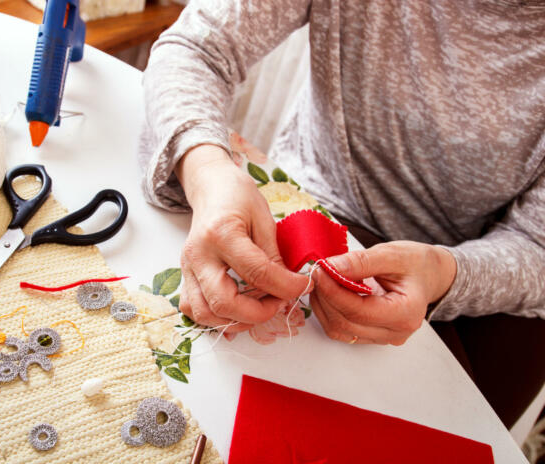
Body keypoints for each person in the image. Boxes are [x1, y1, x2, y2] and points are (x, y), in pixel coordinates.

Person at [138, 0, 545, 429]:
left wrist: (447, 274)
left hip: (475, 282)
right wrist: (207, 171)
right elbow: (196, 47)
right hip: (310, 205)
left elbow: (536, 243)